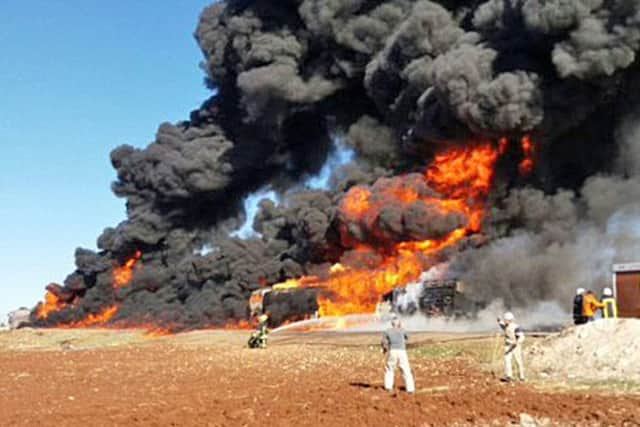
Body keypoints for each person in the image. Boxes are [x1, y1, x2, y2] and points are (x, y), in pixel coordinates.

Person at [381, 316, 415, 394]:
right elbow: (407, 337)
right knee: (406, 369)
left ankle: (388, 387)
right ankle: (410, 389)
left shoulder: (387, 331)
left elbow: (384, 342)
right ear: (399, 323)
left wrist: (384, 349)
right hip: (402, 351)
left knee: (390, 368)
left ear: (391, 323)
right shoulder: (402, 330)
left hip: (392, 351)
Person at [497, 312, 525, 382]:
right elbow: (501, 324)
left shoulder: (516, 327)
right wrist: (499, 320)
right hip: (508, 345)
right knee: (507, 360)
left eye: (506, 320)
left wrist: (517, 342)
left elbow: (522, 337)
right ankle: (509, 376)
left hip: (515, 346)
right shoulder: (506, 325)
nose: (505, 321)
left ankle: (522, 377)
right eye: (504, 320)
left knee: (518, 361)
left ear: (510, 320)